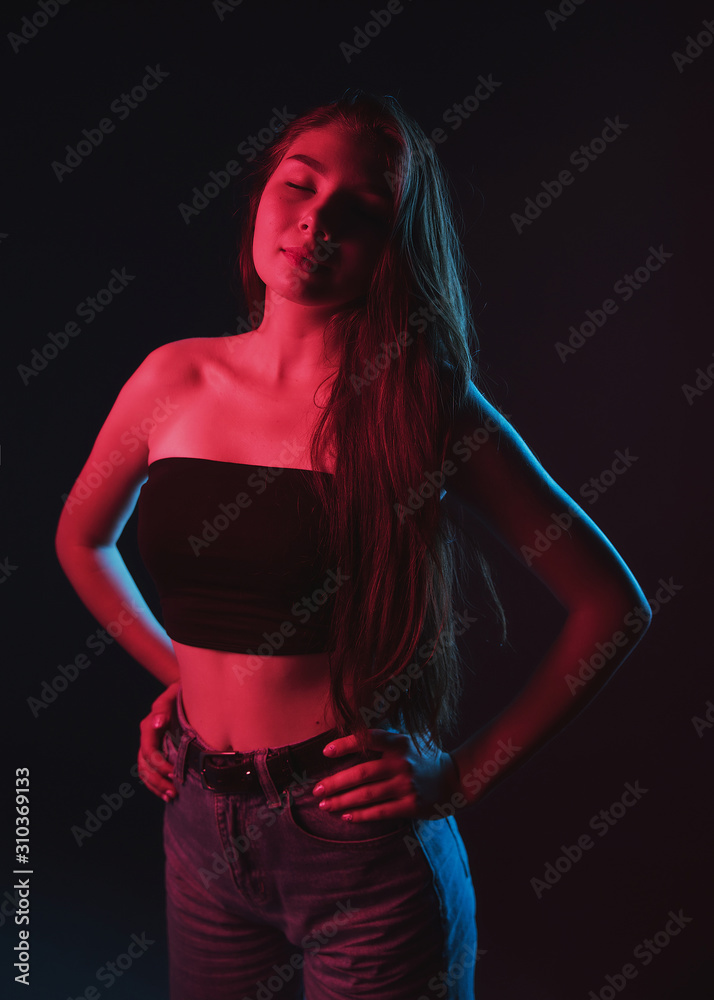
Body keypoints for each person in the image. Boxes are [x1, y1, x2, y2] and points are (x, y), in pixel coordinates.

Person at [55, 89, 652, 1000]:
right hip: (198, 823)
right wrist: (182, 673)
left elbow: (612, 606)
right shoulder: (172, 377)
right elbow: (81, 539)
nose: (315, 220)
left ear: (390, 250)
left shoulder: (421, 404)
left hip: (358, 847)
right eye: (298, 185)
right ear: (260, 198)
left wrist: (458, 779)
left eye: (360, 212)